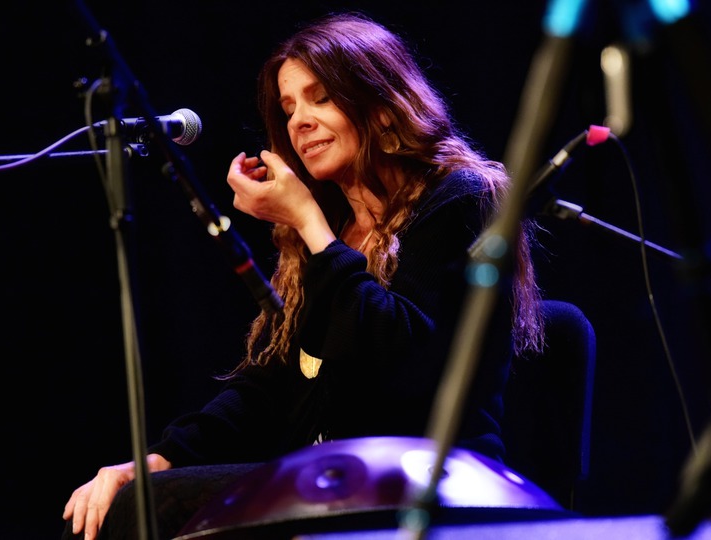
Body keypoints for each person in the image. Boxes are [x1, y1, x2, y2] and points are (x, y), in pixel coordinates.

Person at [61, 11, 545, 540]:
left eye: (321, 99)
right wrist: (160, 458)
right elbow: (271, 386)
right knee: (113, 506)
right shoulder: (331, 231)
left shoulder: (461, 197)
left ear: (382, 103)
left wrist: (310, 224)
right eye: (289, 108)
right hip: (335, 475)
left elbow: (398, 356)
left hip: (427, 475)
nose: (299, 122)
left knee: (142, 516)